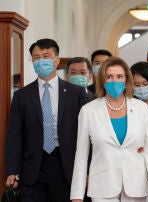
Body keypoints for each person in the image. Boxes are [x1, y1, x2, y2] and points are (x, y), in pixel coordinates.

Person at [5, 38, 88, 202]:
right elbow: (14, 136)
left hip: (65, 166)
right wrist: (11, 170)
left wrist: (87, 169)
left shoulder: (76, 93)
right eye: (36, 57)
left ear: (56, 60)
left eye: (46, 56)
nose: (41, 61)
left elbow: (86, 134)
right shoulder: (22, 96)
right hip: (32, 168)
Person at [70, 57, 148, 202]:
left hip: (136, 188)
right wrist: (77, 195)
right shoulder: (88, 111)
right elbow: (81, 157)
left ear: (126, 80)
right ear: (102, 80)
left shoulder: (141, 108)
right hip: (102, 188)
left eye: (119, 76)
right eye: (109, 77)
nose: (114, 81)